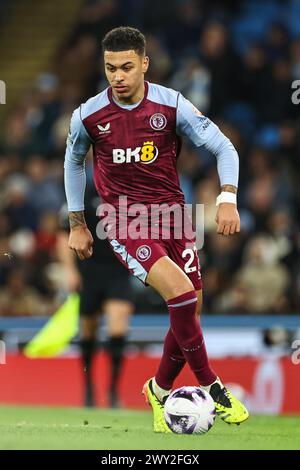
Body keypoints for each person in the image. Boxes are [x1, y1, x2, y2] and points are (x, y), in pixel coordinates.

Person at [64, 26, 249, 432]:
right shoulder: (89, 115)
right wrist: (77, 223)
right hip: (123, 220)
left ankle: (160, 388)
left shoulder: (171, 105)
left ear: (144, 64)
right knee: (180, 295)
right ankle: (213, 388)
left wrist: (227, 198)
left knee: (191, 309)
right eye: (111, 68)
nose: (118, 76)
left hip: (173, 219)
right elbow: (73, 161)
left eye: (127, 67)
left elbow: (224, 147)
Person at [57, 176, 134, 408]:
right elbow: (63, 235)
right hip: (88, 270)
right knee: (88, 331)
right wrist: (69, 270)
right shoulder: (81, 193)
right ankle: (89, 389)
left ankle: (112, 392)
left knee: (118, 326)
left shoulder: (128, 195)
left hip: (118, 271)